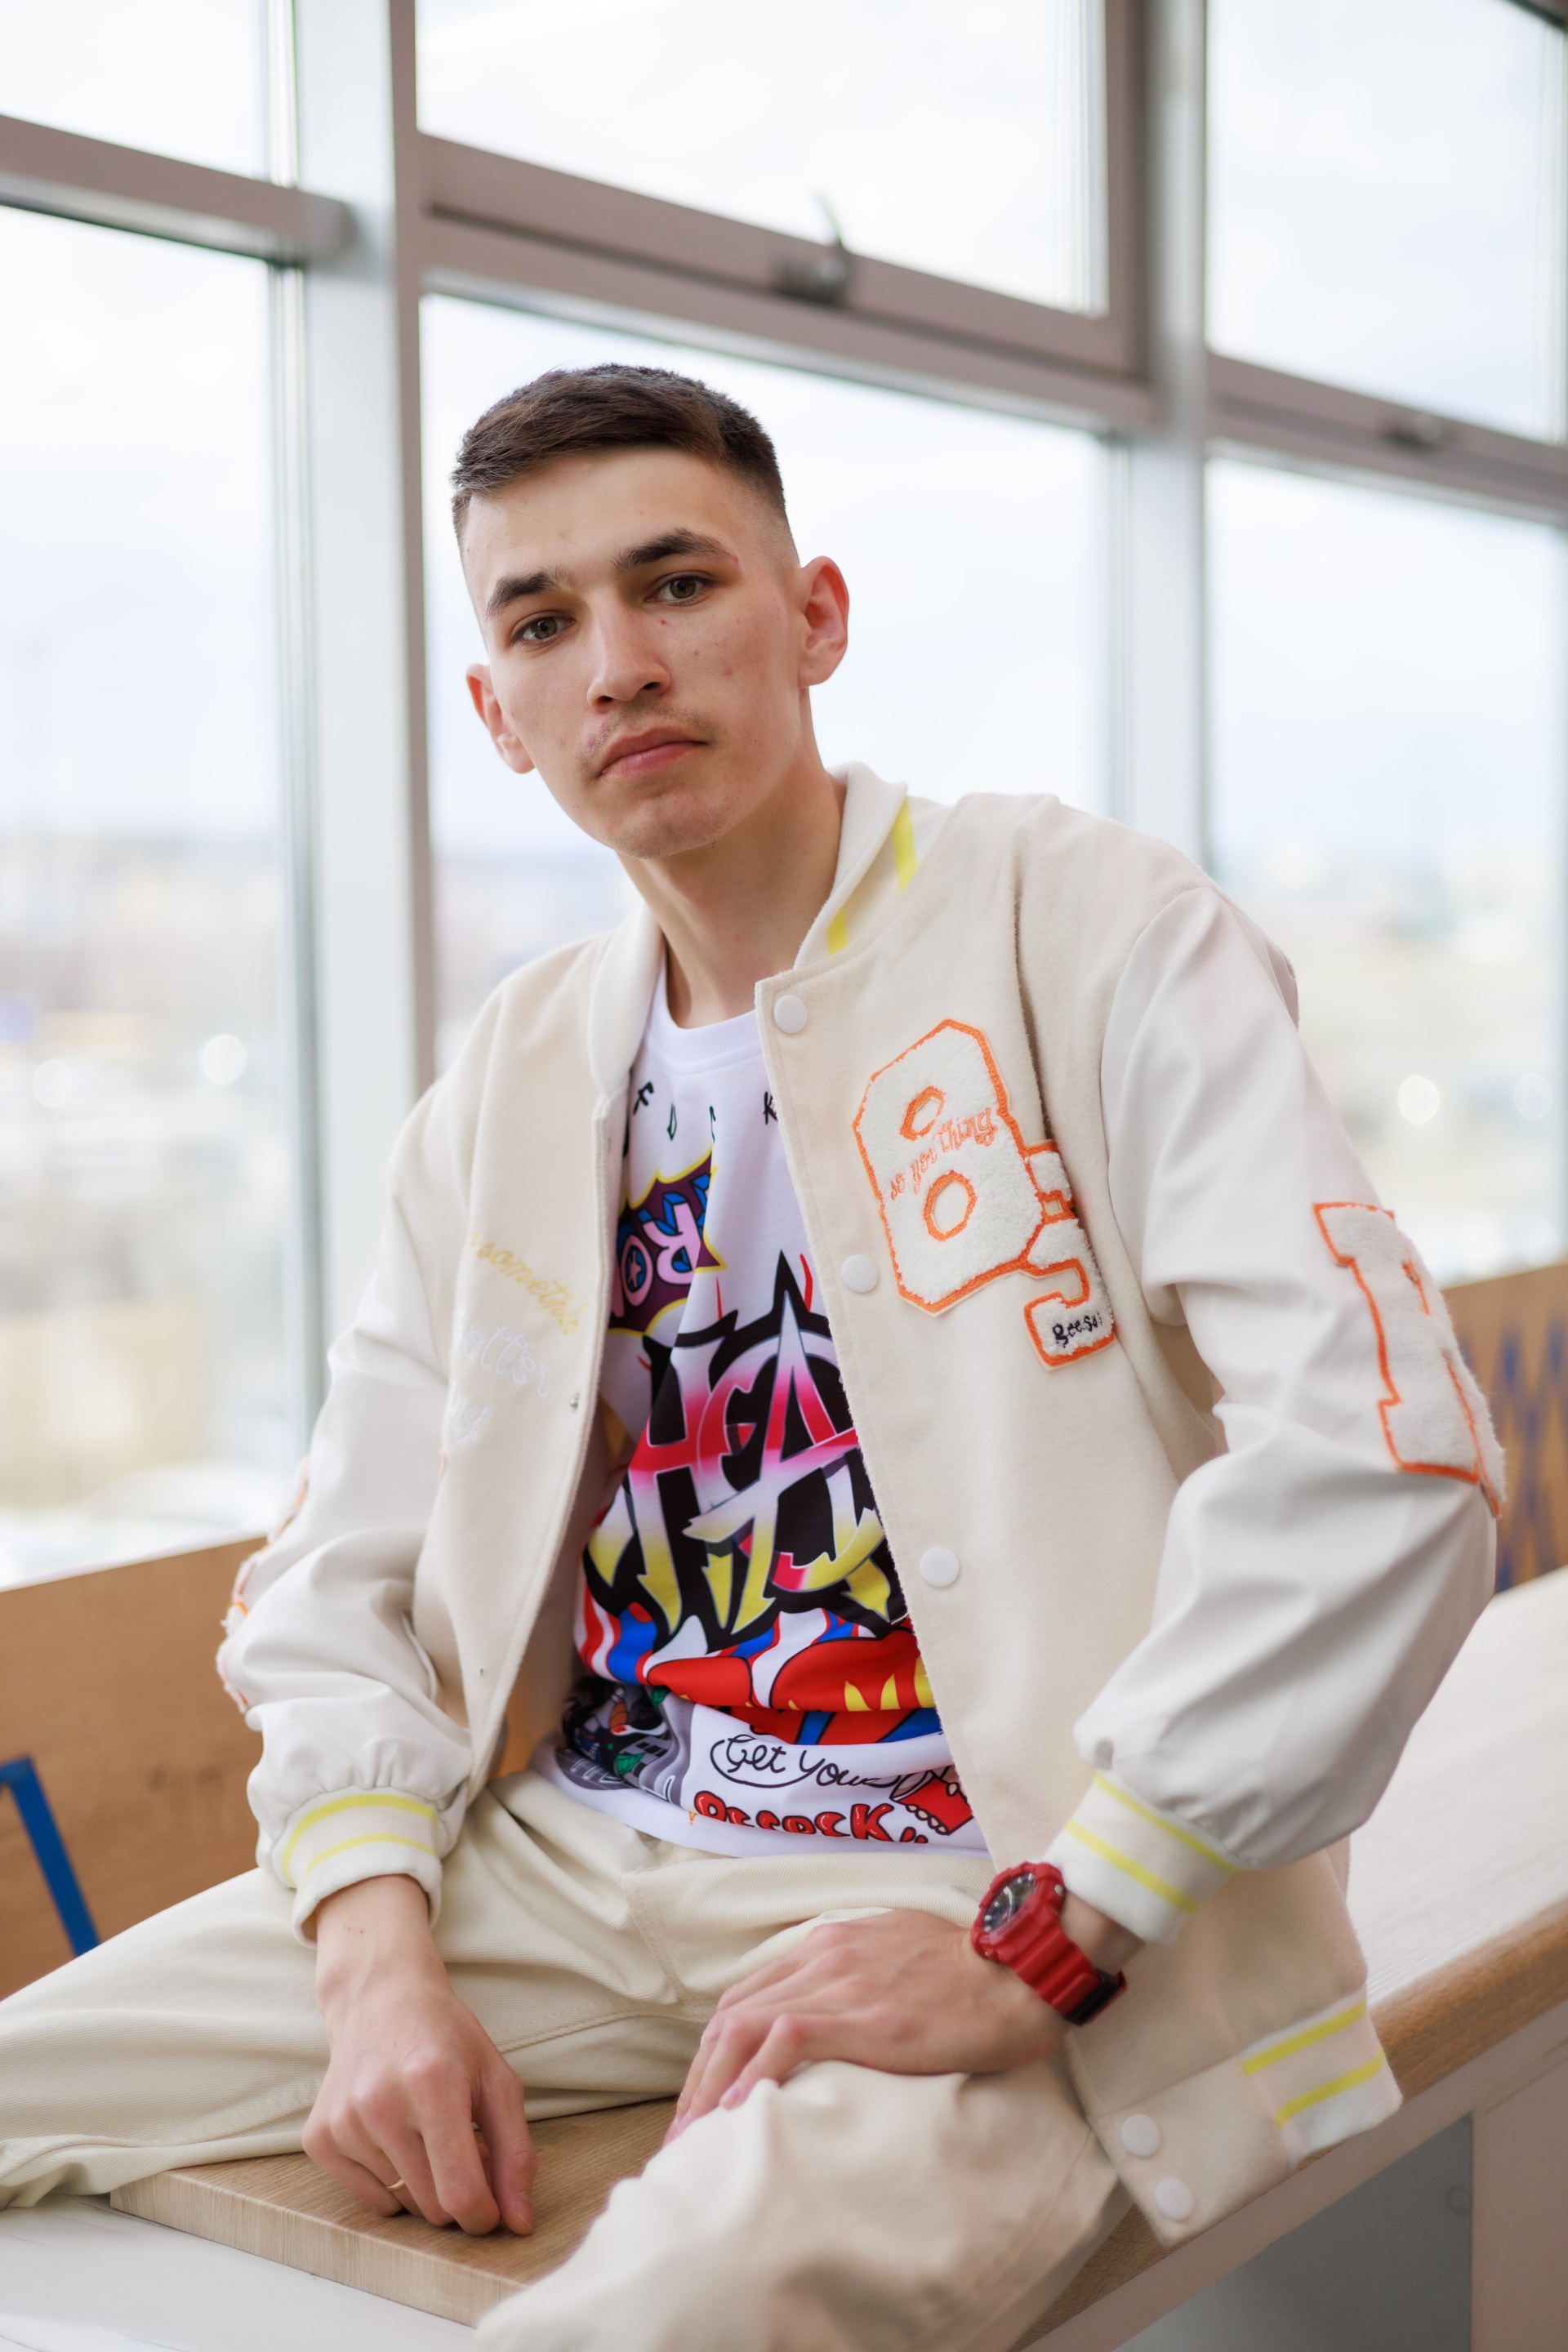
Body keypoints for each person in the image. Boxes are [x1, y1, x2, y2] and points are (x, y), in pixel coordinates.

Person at [0, 365, 1501, 2352]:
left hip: (986, 1880)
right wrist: (373, 1967)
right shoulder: (514, 1072)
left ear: (815, 618)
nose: (618, 662)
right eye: (543, 620)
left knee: (657, 2319)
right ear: (497, 712)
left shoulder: (1093, 928)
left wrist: (1055, 1933)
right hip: (565, 1867)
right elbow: (336, 1568)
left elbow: (1389, 1452)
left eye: (678, 584)